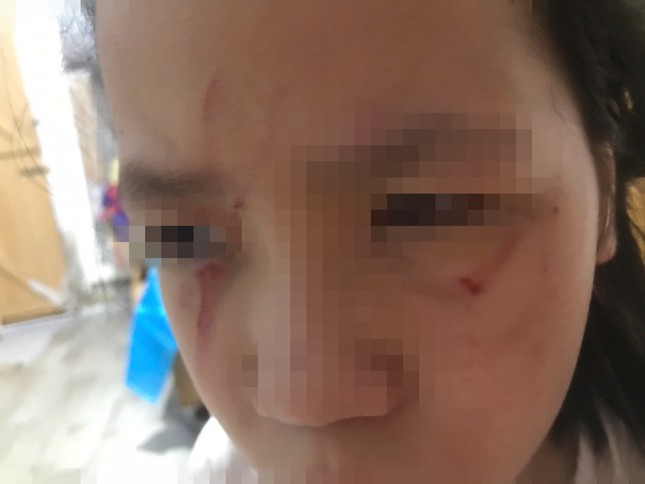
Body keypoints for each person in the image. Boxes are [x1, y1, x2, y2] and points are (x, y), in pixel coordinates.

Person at [93, 0, 645, 482]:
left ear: (603, 199)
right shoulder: (223, 470)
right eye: (183, 238)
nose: (302, 398)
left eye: (430, 212)